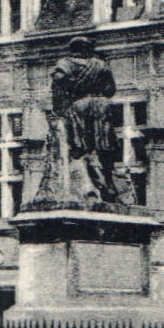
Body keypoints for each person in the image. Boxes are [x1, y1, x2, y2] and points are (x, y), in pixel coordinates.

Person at [48, 36, 122, 204]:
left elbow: (58, 86)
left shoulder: (65, 64)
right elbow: (110, 90)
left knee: (79, 147)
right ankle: (109, 182)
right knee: (104, 145)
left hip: (79, 105)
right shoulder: (100, 64)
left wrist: (61, 107)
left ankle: (85, 184)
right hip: (101, 105)